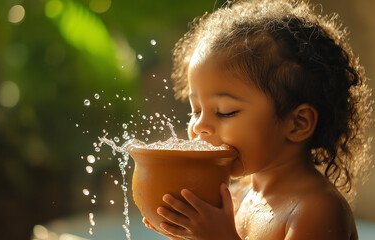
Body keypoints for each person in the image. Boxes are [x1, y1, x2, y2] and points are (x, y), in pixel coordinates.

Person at [142, 0, 373, 239]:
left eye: (225, 112)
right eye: (196, 110)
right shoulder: (235, 198)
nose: (199, 126)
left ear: (298, 123)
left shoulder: (315, 210)